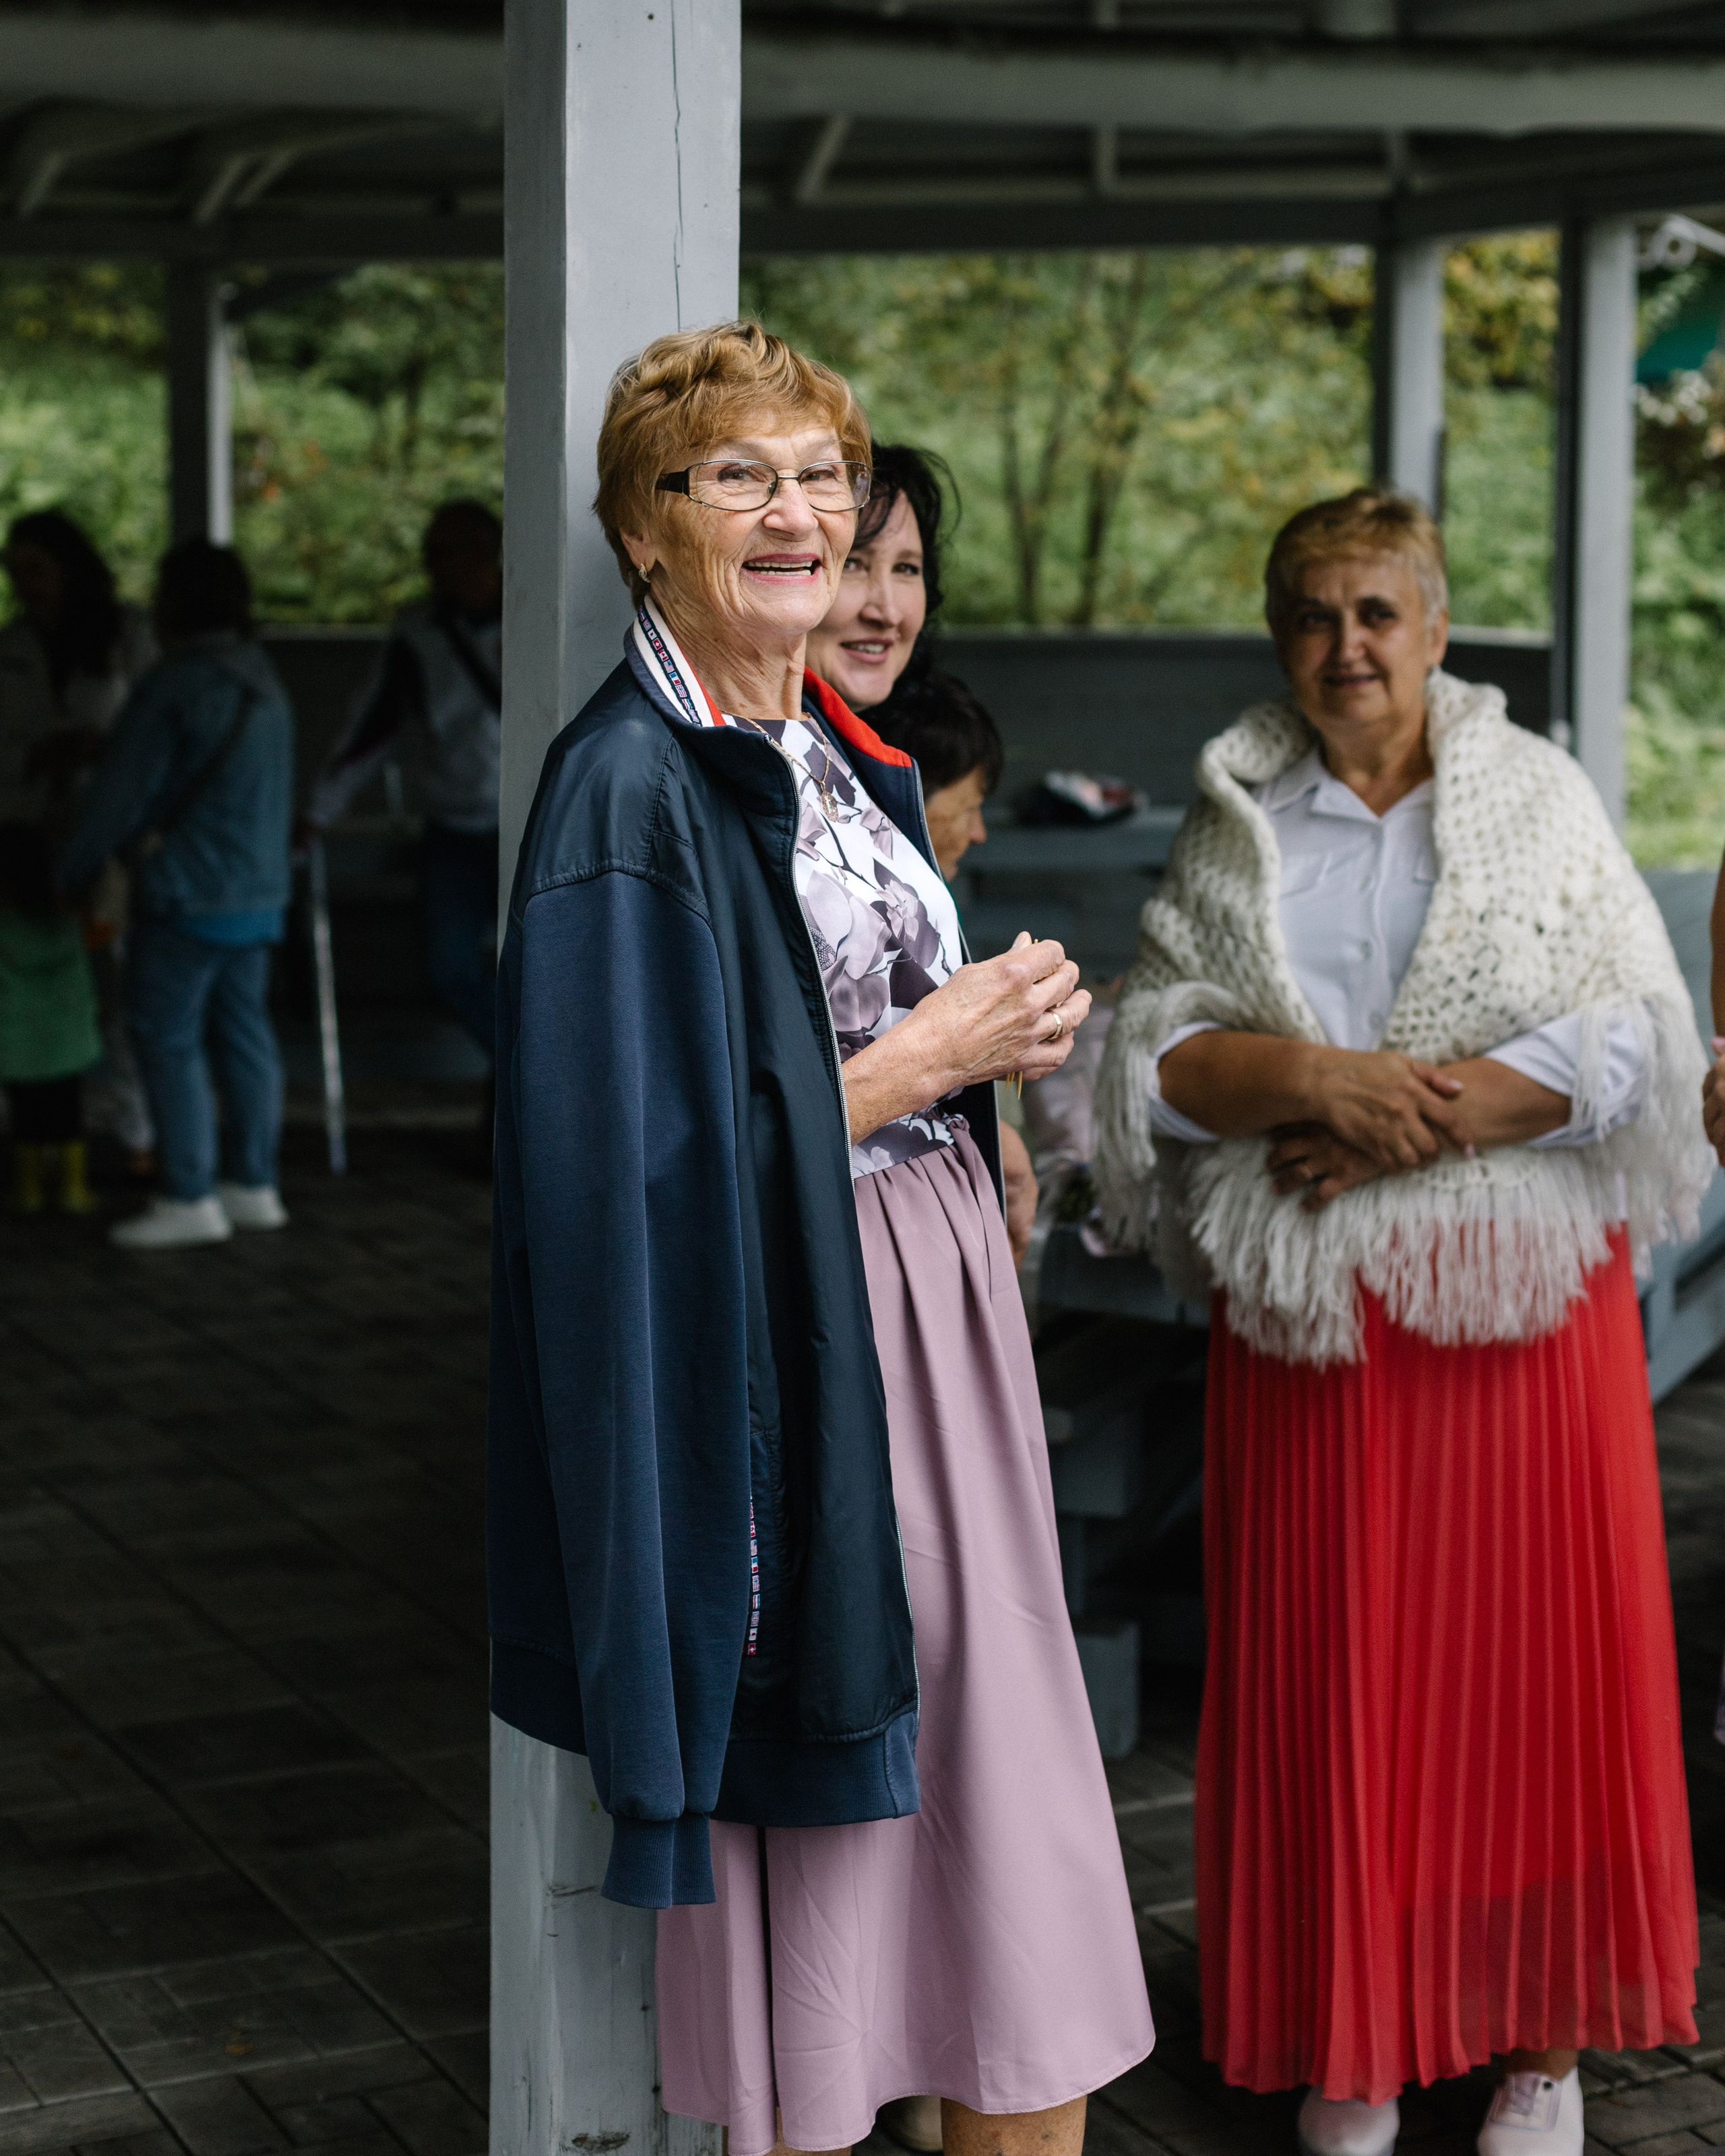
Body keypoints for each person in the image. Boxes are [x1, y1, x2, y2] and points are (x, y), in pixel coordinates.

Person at [489, 321, 1152, 2156]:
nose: (799, 515)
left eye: (822, 480)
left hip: (932, 1331)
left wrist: (985, 1086)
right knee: (872, 1876)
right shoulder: (626, 787)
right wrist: (917, 1066)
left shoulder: (823, 745)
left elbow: (831, 1022)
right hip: (804, 1351)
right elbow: (606, 1163)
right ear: (644, 529)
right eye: (738, 479)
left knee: (1000, 1860)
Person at [1094, 488, 1709, 2156]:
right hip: (1309, 1322)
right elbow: (1147, 1044)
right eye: (1309, 612)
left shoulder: (1536, 797)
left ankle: (1533, 2041)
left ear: (1435, 627)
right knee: (1332, 1686)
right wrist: (1303, 1078)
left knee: (1530, 1684)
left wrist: (1420, 1115)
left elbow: (1643, 1030)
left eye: (1376, 610)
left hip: (1512, 1317)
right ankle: (1347, 2028)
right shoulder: (1240, 812)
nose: (1342, 643)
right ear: (1276, 634)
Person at [807, 446, 1038, 1279]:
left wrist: (985, 1109)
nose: (883, 605)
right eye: (853, 564)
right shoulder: (760, 774)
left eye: (906, 569)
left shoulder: (860, 770)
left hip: (925, 1224)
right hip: (831, 1245)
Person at [61, 540, 295, 1251]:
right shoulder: (261, 676)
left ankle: (188, 1191)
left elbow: (116, 799)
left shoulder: (173, 685)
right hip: (256, 895)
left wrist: (68, 869)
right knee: (246, 1036)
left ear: (174, 603)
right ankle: (254, 1184)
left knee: (167, 1039)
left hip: (185, 896)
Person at [299, 499, 502, 1071]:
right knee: (448, 969)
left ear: (487, 552)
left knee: (544, 973)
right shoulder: (420, 634)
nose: (435, 566)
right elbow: (370, 729)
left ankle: (523, 1105)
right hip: (455, 829)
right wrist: (318, 810)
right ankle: (528, 1067)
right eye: (431, 553)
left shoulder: (537, 609)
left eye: (447, 552)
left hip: (535, 822)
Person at [0, 509, 158, 1173]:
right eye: (15, 570)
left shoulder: (126, 633)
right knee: (29, 978)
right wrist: (38, 757)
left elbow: (155, 729)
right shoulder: (12, 644)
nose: (24, 582)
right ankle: (35, 1129)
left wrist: (102, 751)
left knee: (117, 983)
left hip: (109, 835)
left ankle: (138, 1130)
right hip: (27, 834)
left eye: (36, 568)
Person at [0, 819, 100, 1213]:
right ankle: (74, 1190)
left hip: (16, 1042)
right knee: (68, 1118)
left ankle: (29, 1190)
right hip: (67, 1042)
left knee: (26, 1120)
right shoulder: (69, 922)